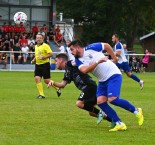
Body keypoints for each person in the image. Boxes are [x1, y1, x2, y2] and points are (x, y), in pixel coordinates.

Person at [68, 40, 144, 132]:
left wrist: (114, 58)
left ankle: (136, 111)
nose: (71, 52)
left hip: (113, 74)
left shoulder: (92, 47)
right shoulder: (78, 60)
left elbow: (107, 45)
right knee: (101, 102)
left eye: (72, 49)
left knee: (113, 99)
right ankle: (120, 124)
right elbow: (84, 70)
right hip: (102, 80)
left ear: (78, 47)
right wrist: (97, 62)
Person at [47, 53, 112, 125]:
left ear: (61, 60)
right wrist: (53, 82)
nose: (55, 63)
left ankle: (101, 113)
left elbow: (77, 62)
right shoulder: (67, 72)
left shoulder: (69, 64)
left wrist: (96, 60)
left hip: (89, 86)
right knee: (92, 113)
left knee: (79, 103)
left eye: (56, 61)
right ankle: (113, 120)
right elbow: (62, 85)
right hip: (90, 87)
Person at [31, 33, 61, 98]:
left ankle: (58, 88)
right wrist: (34, 60)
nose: (38, 39)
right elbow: (37, 55)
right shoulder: (36, 46)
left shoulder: (46, 45)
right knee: (37, 78)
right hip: (38, 65)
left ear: (42, 39)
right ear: (36, 39)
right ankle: (41, 94)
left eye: (40, 38)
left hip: (45, 65)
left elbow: (51, 54)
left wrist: (43, 57)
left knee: (46, 81)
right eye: (37, 38)